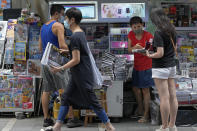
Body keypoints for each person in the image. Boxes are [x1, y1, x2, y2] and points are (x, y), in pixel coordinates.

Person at [43, 7, 115, 131]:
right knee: (65, 97)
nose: (63, 21)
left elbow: (76, 60)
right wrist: (66, 51)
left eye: (65, 18)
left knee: (92, 101)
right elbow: (78, 54)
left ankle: (109, 126)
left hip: (81, 74)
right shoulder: (79, 33)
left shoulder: (75, 37)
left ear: (71, 20)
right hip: (77, 73)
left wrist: (60, 68)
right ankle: (57, 126)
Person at [39, 4, 82, 128]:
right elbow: (63, 46)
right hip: (57, 62)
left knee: (46, 90)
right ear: (57, 14)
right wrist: (72, 50)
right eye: (63, 14)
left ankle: (46, 118)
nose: (64, 17)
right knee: (64, 89)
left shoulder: (43, 27)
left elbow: (40, 47)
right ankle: (71, 118)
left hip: (45, 60)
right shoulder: (58, 26)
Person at [146, 8, 178, 131]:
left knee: (164, 97)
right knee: (172, 96)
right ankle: (172, 125)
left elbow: (160, 53)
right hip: (171, 66)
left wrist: (149, 55)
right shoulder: (172, 29)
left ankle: (164, 126)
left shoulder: (158, 32)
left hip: (161, 67)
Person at [128, 16, 154, 123]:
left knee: (145, 90)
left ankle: (146, 115)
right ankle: (140, 109)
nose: (137, 28)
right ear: (131, 27)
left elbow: (150, 49)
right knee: (135, 88)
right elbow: (129, 49)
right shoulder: (130, 34)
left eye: (139, 26)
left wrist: (143, 50)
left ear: (142, 25)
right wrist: (135, 48)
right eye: (134, 27)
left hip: (147, 66)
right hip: (136, 66)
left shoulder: (148, 35)